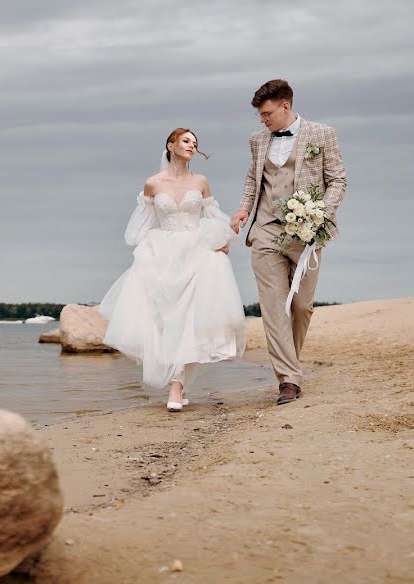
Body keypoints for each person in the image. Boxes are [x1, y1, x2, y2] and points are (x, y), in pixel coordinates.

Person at [99, 128, 247, 412]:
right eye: (186, 141)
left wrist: (221, 240)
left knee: (189, 318)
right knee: (166, 320)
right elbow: (140, 226)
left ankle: (177, 386)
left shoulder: (201, 181)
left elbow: (211, 216)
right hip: (163, 254)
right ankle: (179, 384)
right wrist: (148, 250)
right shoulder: (153, 184)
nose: (192, 145)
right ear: (171, 145)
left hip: (196, 253)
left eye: (195, 142)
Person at [229, 79, 348, 405]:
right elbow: (254, 178)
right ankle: (289, 380)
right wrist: (242, 209)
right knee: (273, 308)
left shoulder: (322, 134)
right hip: (266, 230)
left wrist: (322, 211)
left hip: (308, 233)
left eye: (267, 113)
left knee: (301, 306)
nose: (263, 120)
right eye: (259, 115)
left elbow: (337, 179)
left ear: (285, 106)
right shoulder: (257, 141)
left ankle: (288, 365)